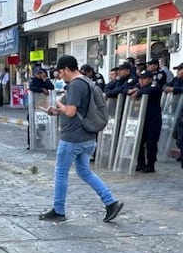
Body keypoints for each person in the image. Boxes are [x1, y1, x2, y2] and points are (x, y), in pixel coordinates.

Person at [38, 55, 123, 223]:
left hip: (72, 138)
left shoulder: (75, 85)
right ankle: (111, 202)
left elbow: (70, 112)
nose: (60, 76)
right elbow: (77, 110)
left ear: (67, 69)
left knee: (61, 172)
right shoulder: (87, 82)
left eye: (61, 72)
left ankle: (59, 210)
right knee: (84, 171)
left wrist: (58, 103)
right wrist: (57, 111)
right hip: (88, 136)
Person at [130, 69, 162, 173]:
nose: (141, 81)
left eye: (144, 79)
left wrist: (138, 92)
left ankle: (150, 164)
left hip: (153, 120)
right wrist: (132, 91)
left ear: (150, 79)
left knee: (151, 143)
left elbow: (149, 91)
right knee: (139, 141)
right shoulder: (139, 87)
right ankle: (141, 163)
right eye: (140, 79)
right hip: (141, 119)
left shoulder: (154, 86)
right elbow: (125, 89)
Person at [27, 66, 54, 149]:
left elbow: (51, 87)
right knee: (32, 124)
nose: (39, 75)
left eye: (40, 73)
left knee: (42, 125)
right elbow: (32, 87)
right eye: (38, 73)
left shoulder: (45, 80)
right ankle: (31, 143)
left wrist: (45, 79)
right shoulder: (33, 80)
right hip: (34, 106)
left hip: (43, 105)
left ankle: (40, 141)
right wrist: (42, 89)